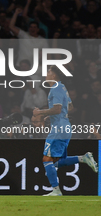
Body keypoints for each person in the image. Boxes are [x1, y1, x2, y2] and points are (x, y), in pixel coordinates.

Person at [33, 66, 98, 196]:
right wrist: (52, 116)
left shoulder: (55, 88)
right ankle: (83, 158)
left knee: (47, 159)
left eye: (49, 72)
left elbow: (57, 109)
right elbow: (70, 106)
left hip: (58, 128)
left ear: (54, 75)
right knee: (56, 161)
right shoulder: (62, 87)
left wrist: (40, 112)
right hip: (65, 126)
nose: (46, 74)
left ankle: (56, 190)